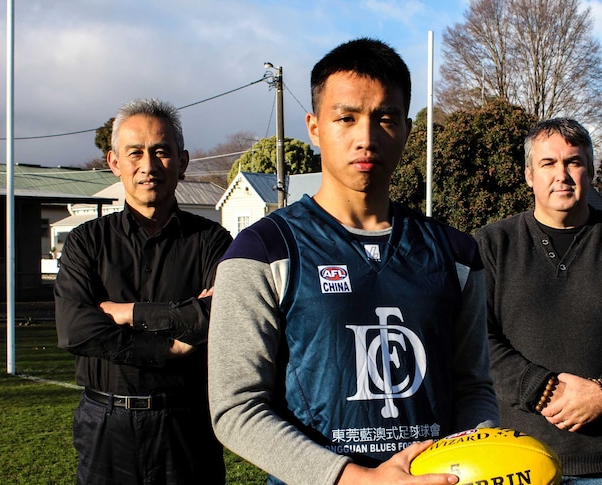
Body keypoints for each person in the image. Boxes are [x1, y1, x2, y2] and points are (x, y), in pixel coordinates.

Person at [208, 38, 499, 485]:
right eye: (346, 118)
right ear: (314, 127)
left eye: (385, 118)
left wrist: (473, 461)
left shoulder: (457, 254)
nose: (366, 138)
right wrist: (354, 477)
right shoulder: (262, 250)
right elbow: (236, 407)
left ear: (406, 128)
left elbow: (474, 387)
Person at [475, 118, 602, 484]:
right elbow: (476, 334)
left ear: (590, 171)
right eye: (548, 164)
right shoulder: (492, 244)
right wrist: (540, 388)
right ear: (529, 175)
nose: (563, 175)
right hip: (516, 465)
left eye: (573, 162)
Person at [55, 98, 231, 484]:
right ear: (115, 162)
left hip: (186, 422)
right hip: (105, 422)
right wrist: (168, 346)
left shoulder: (213, 242)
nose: (148, 166)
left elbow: (220, 316)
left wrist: (129, 312)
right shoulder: (87, 242)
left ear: (182, 162)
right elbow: (75, 329)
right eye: (135, 153)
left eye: (161, 152)